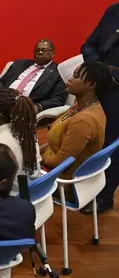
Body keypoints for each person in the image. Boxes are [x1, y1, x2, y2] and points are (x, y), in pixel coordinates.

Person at [41, 62, 113, 203]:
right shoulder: (81, 105)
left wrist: (36, 158)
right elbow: (56, 143)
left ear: (91, 85)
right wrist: (38, 150)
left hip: (62, 182)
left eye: (76, 76)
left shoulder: (84, 121)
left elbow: (60, 163)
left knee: (7, 177)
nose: (69, 79)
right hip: (53, 168)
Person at [80, 3, 119, 214]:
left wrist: (114, 76)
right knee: (95, 139)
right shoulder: (113, 11)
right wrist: (101, 71)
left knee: (114, 145)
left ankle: (105, 195)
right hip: (101, 85)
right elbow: (89, 45)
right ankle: (86, 187)